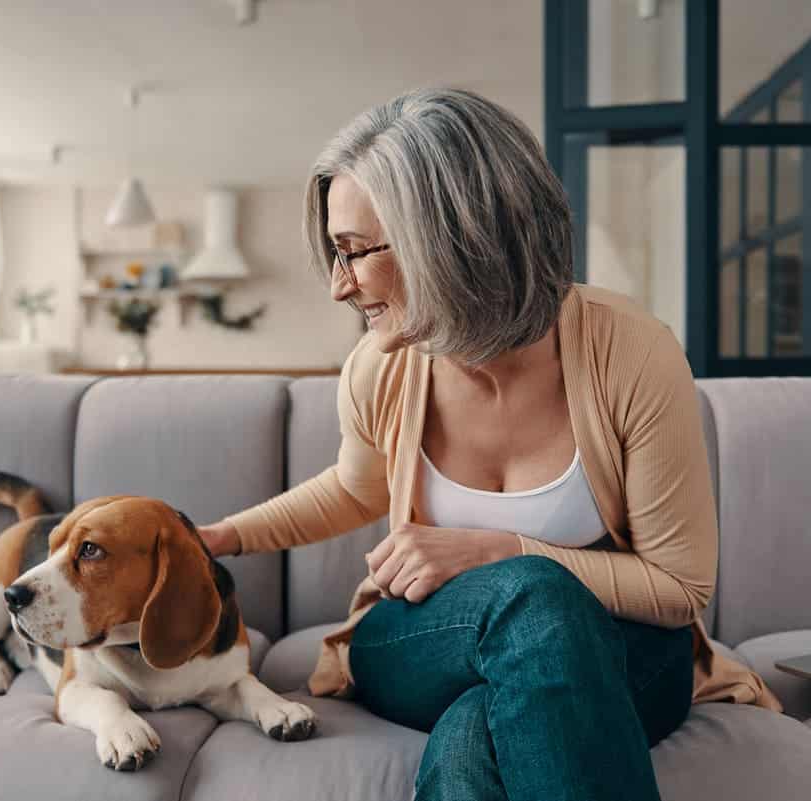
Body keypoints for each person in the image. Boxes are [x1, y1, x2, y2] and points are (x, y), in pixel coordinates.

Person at [198, 88, 780, 801]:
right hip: (424, 637)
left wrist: (503, 550)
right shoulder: (382, 366)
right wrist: (221, 535)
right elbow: (356, 487)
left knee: (476, 732)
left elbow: (679, 586)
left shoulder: (630, 354)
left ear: (444, 237)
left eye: (351, 253)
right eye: (333, 254)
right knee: (533, 607)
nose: (338, 286)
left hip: (626, 647)